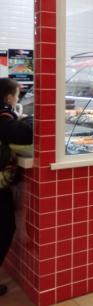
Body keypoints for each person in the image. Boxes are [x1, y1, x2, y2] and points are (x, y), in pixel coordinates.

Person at [0, 78, 32, 297]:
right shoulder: (3, 116)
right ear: (8, 97)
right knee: (5, 228)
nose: (18, 99)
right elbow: (24, 134)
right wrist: (30, 118)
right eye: (17, 95)